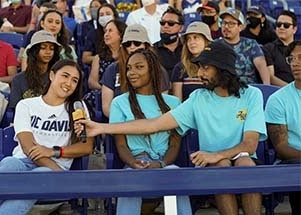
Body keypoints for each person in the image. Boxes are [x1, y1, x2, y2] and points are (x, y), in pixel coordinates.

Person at [77, 41, 267, 215]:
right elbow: (152, 125)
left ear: (224, 69)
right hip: (214, 164)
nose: (199, 73)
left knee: (245, 163)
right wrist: (100, 128)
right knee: (222, 166)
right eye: (199, 67)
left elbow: (249, 145)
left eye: (205, 68)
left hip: (236, 157)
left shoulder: (251, 95)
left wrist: (216, 155)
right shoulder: (198, 98)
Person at [0, 59, 94, 215]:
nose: (69, 83)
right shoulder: (27, 105)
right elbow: (28, 148)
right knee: (8, 164)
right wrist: (59, 172)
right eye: (65, 76)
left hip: (52, 168)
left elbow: (86, 146)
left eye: (74, 80)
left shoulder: (77, 107)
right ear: (52, 75)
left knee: (37, 177)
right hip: (24, 162)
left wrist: (54, 152)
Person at [107, 48, 192, 215]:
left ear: (152, 70)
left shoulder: (173, 102)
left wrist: (162, 163)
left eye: (139, 67)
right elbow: (121, 145)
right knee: (130, 179)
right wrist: (133, 163)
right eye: (129, 68)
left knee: (176, 175)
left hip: (164, 162)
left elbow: (175, 144)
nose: (132, 72)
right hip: (136, 162)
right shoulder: (119, 103)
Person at [101, 24, 170, 117]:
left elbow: (162, 104)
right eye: (128, 44)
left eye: (137, 43)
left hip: (151, 122)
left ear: (146, 46)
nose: (132, 47)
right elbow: (107, 108)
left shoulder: (159, 71)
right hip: (121, 122)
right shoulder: (112, 69)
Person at [264, 40, 301, 215]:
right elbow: (281, 148)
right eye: (291, 59)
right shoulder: (278, 99)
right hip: (295, 159)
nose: (295, 63)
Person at [9, 30, 61, 108]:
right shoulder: (18, 80)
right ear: (34, 51)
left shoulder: (57, 78)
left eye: (51, 49)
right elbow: (15, 109)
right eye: (43, 48)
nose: (48, 52)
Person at [219, 8, 270, 85]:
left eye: (231, 24)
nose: (226, 26)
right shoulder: (215, 45)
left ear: (240, 27)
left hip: (248, 88)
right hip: (224, 87)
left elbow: (261, 65)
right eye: (224, 23)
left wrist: (266, 86)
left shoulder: (250, 44)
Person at [171, 21, 212, 101]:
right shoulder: (180, 68)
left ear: (206, 40)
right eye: (188, 39)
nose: (191, 42)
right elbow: (177, 102)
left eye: (196, 37)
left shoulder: (216, 67)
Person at [88, 19, 126, 90]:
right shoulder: (98, 58)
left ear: (120, 34)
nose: (106, 34)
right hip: (102, 93)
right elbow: (92, 82)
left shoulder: (128, 55)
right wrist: (107, 90)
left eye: (110, 31)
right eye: (105, 31)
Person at [263, 10, 298, 87]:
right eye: (278, 25)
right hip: (280, 92)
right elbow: (271, 77)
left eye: (286, 25)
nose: (281, 27)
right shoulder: (268, 48)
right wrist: (291, 89)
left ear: (294, 29)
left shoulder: (299, 49)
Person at [154, 6, 184, 78]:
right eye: (162, 23)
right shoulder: (152, 50)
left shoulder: (187, 48)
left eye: (171, 23)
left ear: (181, 28)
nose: (165, 26)